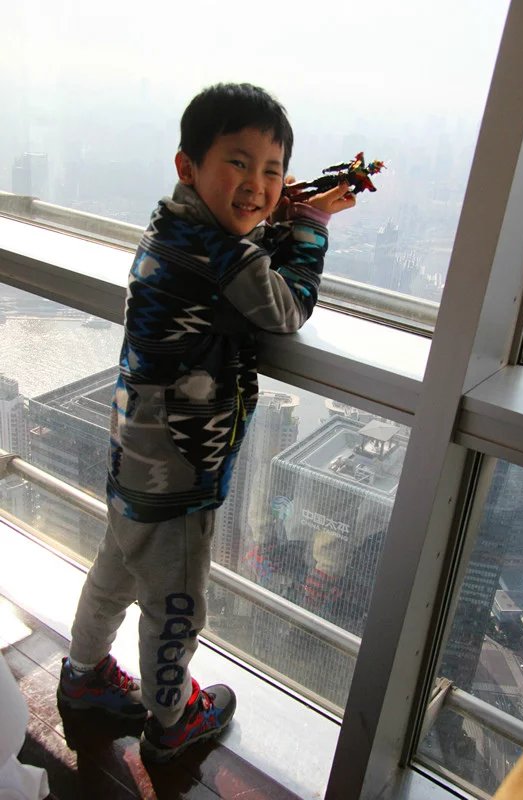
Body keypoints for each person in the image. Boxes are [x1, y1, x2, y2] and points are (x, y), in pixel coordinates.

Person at [56, 82, 356, 763]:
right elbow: (285, 308)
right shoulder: (220, 254)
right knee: (176, 601)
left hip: (135, 452)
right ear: (188, 166)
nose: (258, 185)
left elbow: (238, 254)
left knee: (116, 569)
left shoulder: (177, 227)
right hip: (179, 472)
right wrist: (311, 227)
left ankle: (83, 675)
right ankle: (171, 721)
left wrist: (279, 217)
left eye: (272, 171)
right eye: (239, 164)